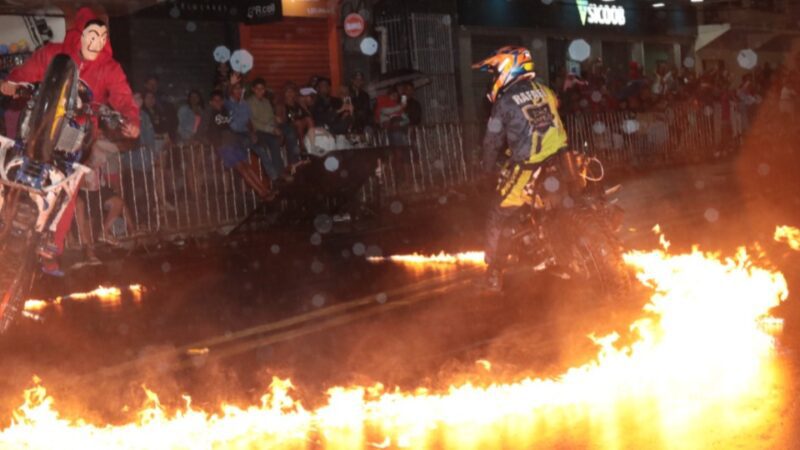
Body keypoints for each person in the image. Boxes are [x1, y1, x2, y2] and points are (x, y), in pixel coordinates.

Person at [0, 7, 140, 277]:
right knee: (10, 159)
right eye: (93, 31)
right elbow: (28, 71)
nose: (97, 38)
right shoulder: (55, 52)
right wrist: (12, 81)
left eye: (103, 32)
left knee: (70, 185)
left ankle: (52, 245)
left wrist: (131, 120)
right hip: (40, 125)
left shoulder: (109, 66)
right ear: (79, 30)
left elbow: (123, 97)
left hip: (77, 137)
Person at [473, 46, 569, 293]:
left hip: (529, 166)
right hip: (562, 161)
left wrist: (486, 170)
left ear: (508, 67)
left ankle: (493, 273)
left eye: (496, 72)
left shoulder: (505, 101)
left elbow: (492, 141)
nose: (494, 78)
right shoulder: (546, 91)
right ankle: (556, 252)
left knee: (498, 211)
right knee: (567, 205)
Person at [200, 89, 271, 199]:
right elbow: (203, 129)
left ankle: (264, 189)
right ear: (211, 102)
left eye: (220, 100)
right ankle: (261, 192)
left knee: (247, 167)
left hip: (233, 142)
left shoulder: (225, 110)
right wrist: (213, 142)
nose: (218, 102)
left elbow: (232, 103)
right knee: (242, 169)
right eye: (215, 101)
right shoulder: (209, 113)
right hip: (223, 146)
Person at [248, 77, 298, 182]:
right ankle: (280, 172)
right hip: (260, 130)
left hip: (271, 127)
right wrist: (272, 129)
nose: (260, 91)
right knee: (274, 141)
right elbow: (254, 122)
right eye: (257, 89)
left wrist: (276, 122)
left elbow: (271, 117)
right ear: (253, 89)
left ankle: (293, 163)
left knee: (290, 131)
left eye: (262, 89)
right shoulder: (250, 102)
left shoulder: (266, 101)